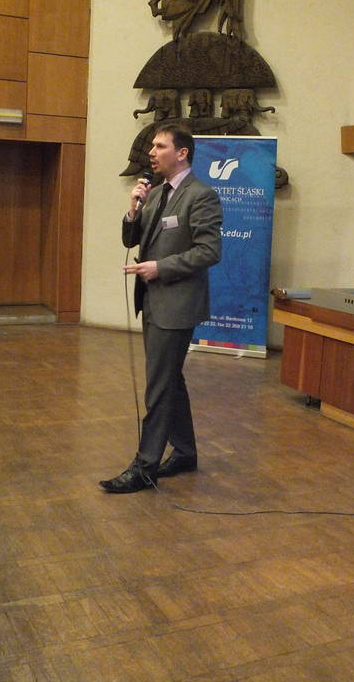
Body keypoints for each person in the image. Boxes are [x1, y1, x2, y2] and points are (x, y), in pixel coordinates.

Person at [100, 124, 222, 494]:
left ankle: (145, 467)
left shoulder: (201, 196)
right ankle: (185, 452)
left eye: (159, 146)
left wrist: (160, 268)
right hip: (152, 301)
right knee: (170, 380)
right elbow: (132, 239)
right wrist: (133, 209)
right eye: (152, 146)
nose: (151, 152)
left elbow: (209, 251)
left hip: (177, 303)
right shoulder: (155, 194)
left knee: (159, 386)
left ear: (181, 153)